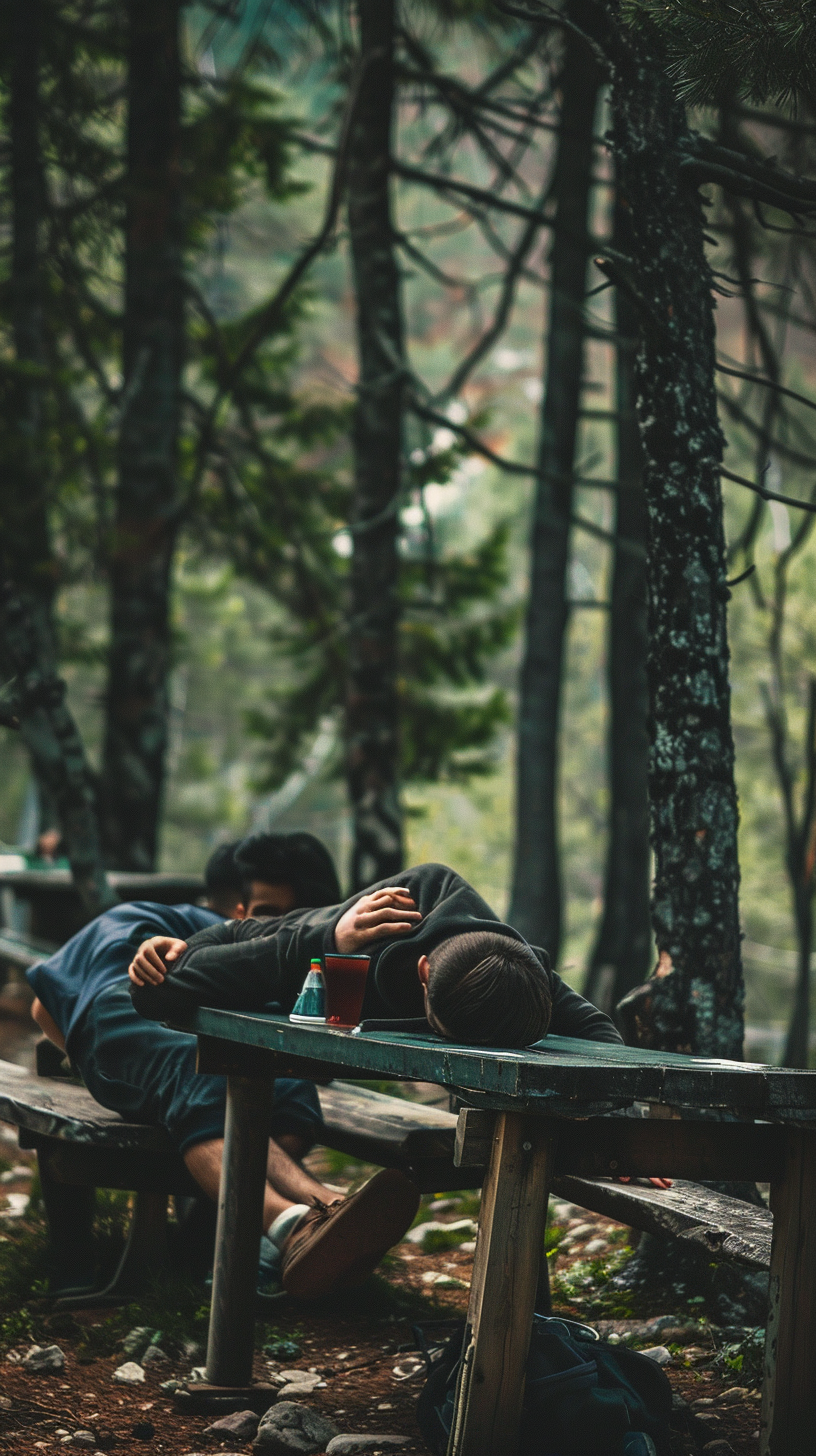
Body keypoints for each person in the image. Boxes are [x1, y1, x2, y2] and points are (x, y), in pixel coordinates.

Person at [26, 832, 397, 1297]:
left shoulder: (277, 955)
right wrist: (105, 1063)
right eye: (268, 916)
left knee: (286, 1093)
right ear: (237, 912)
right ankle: (292, 1224)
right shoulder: (174, 932)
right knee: (199, 1077)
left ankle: (305, 1219)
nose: (281, 930)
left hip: (141, 1043)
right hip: (123, 1014)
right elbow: (44, 1007)